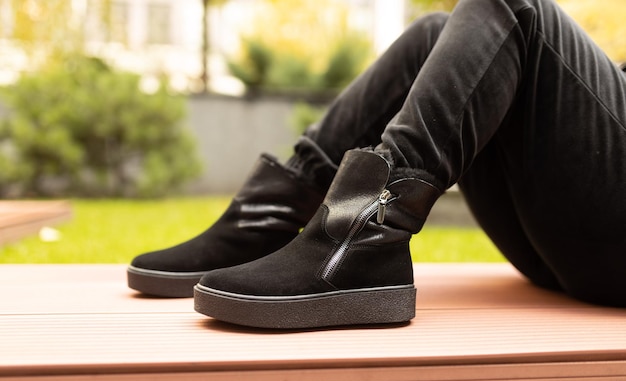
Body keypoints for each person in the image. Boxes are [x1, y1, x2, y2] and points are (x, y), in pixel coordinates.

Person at [128, 0, 626, 329]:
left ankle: (357, 242)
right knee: (436, 32)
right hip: (574, 249)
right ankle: (266, 220)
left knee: (512, 7)